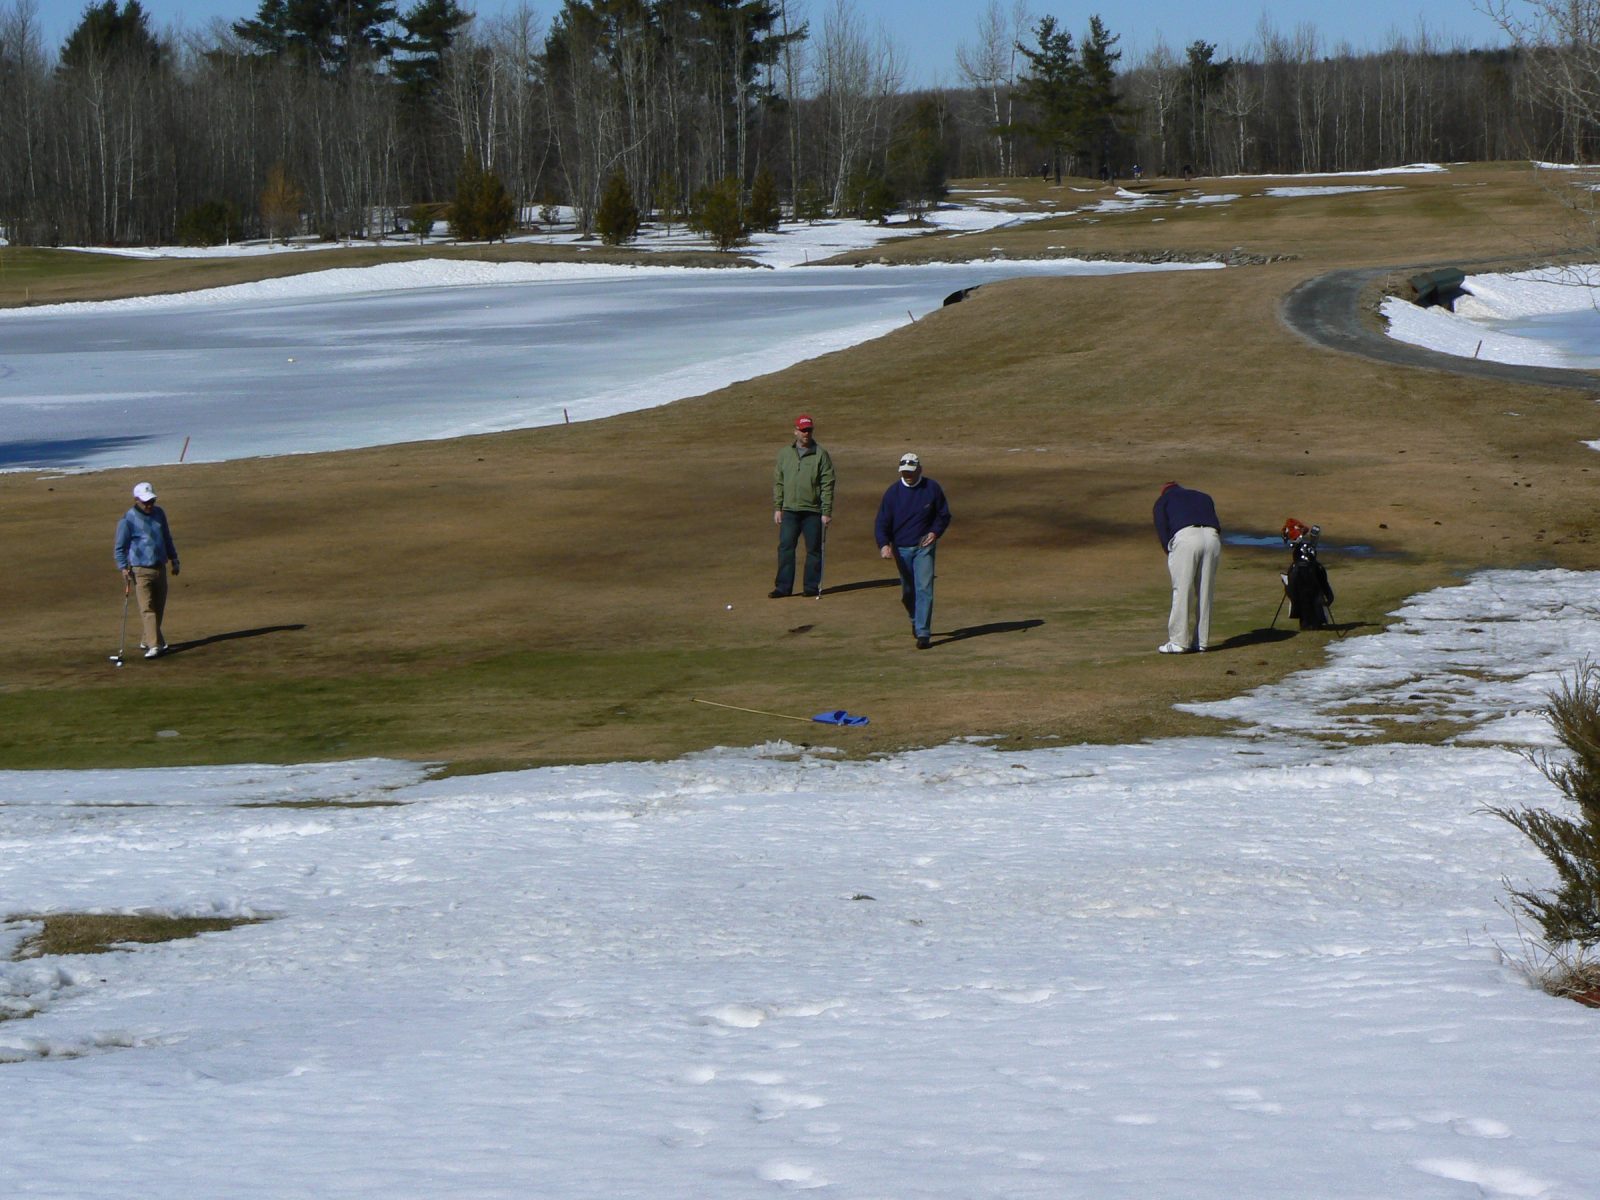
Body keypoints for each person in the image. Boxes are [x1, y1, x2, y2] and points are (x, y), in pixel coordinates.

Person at [875, 452, 951, 650]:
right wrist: (884, 544)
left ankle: (923, 633)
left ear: (919, 470)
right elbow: (882, 522)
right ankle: (914, 618)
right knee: (908, 591)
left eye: (911, 471)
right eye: (904, 472)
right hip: (901, 548)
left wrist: (935, 532)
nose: (908, 475)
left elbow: (943, 515)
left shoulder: (931, 488)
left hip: (924, 546)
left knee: (924, 588)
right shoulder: (893, 493)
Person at [771, 414, 835, 598]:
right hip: (790, 510)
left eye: (809, 430)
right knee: (785, 547)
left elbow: (827, 483)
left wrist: (826, 511)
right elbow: (779, 482)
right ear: (796, 431)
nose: (806, 434)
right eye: (803, 430)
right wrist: (778, 507)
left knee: (813, 550)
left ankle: (811, 587)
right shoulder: (785, 454)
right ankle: (783, 587)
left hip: (813, 511)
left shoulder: (820, 454)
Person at [1153, 481, 1221, 654]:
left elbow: (1162, 529)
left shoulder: (1163, 501)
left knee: (1182, 589)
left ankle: (1178, 641)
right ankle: (1202, 642)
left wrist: (1170, 551)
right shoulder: (1203, 496)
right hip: (1212, 538)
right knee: (1205, 590)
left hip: (1186, 537)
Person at [114, 481, 180, 659]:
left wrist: (174, 559)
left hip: (160, 568)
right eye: (145, 502)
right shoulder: (128, 520)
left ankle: (146, 639)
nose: (149, 505)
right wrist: (123, 567)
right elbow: (120, 548)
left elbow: (167, 537)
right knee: (147, 609)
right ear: (136, 500)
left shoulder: (159, 513)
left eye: (151, 501)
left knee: (158, 609)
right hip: (140, 571)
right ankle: (155, 645)